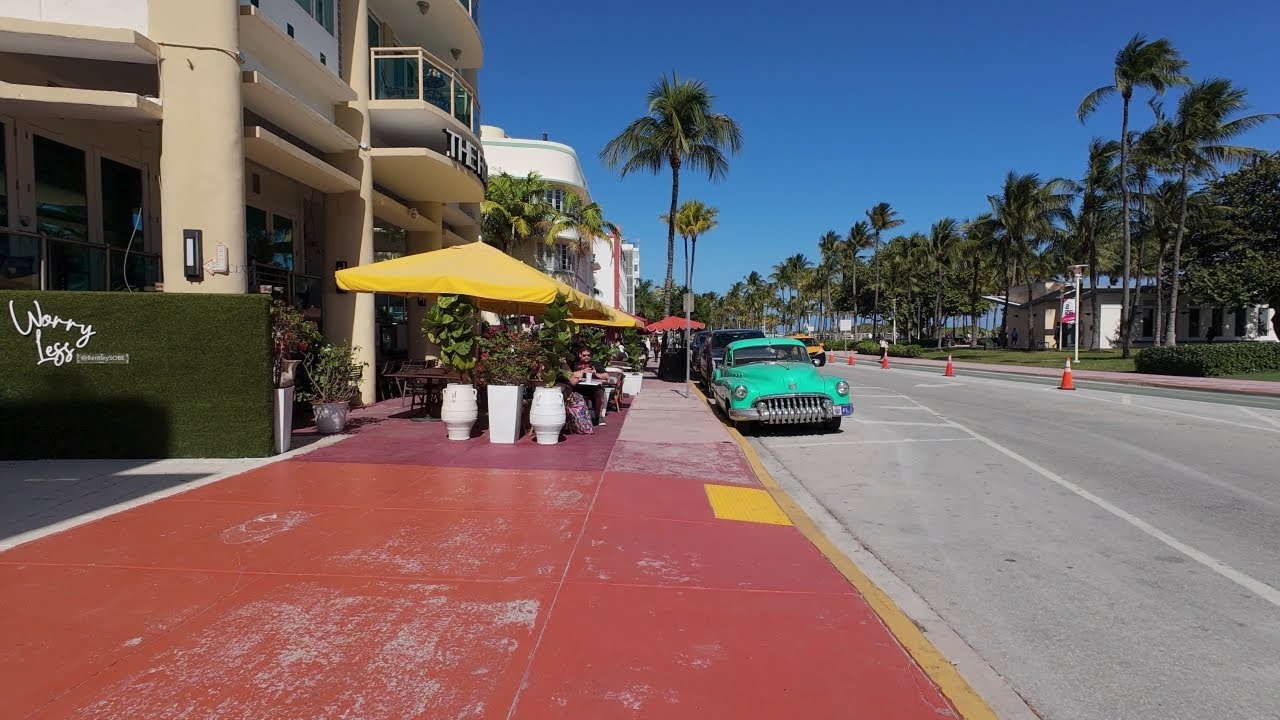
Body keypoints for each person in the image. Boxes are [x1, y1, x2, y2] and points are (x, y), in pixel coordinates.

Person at [567, 346, 609, 425]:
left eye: (588, 355)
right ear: (580, 355)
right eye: (584, 355)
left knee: (599, 393)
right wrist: (583, 371)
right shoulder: (574, 365)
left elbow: (606, 376)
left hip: (594, 388)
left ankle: (598, 417)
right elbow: (569, 375)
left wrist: (596, 373)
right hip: (579, 388)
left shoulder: (596, 364)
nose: (587, 357)